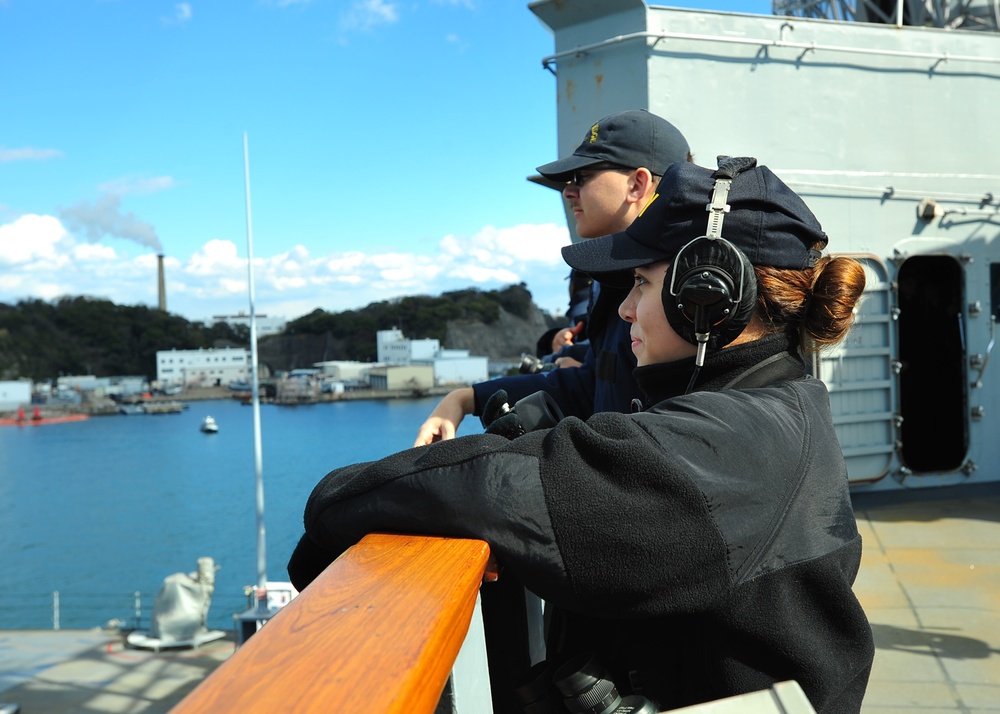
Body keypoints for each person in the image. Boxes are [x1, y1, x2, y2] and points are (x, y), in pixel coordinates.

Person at [288, 157, 874, 713]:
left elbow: (508, 487)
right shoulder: (771, 404)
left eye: (641, 284)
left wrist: (331, 507)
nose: (624, 311)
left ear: (709, 296)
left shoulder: (734, 442)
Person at [414, 109, 692, 446]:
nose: (568, 191)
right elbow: (594, 380)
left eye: (583, 177)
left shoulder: (680, 296)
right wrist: (466, 397)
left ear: (638, 184)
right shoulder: (618, 280)